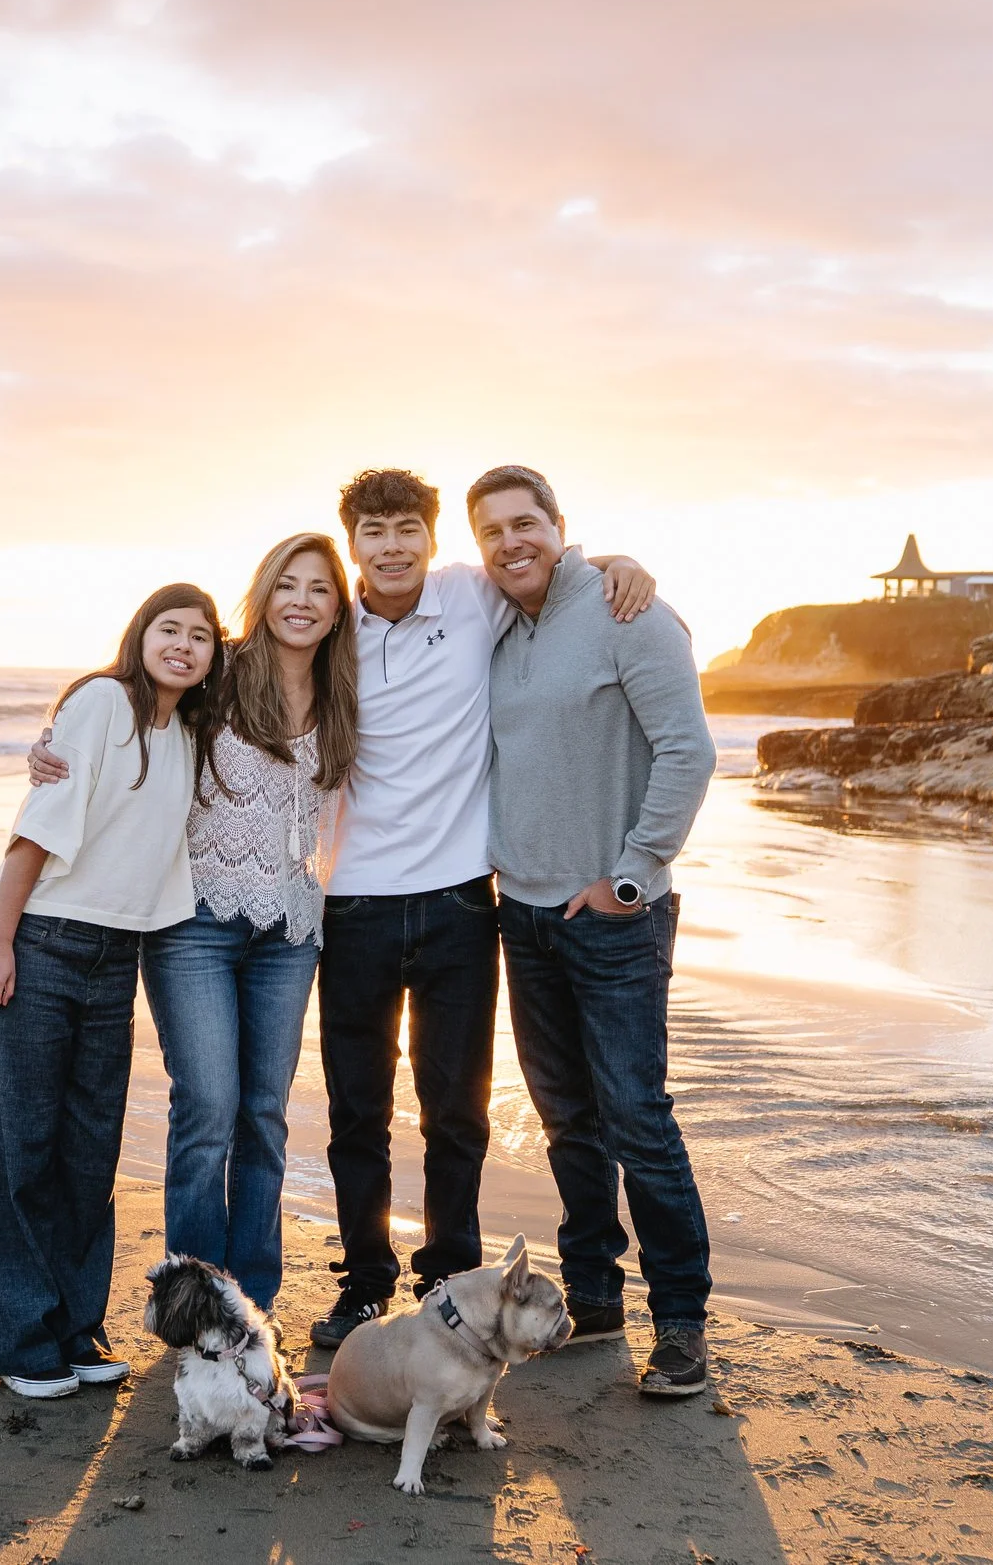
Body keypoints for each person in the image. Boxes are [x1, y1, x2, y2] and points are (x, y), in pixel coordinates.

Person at [302, 471, 654, 1349]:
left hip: (462, 902)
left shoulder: (471, 596)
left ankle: (447, 1275)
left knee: (455, 1108)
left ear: (431, 538)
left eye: (405, 529)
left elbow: (547, 566)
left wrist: (623, 563)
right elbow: (233, 691)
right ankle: (364, 1278)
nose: (390, 547)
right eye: (372, 532)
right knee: (358, 1108)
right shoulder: (326, 629)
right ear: (352, 546)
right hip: (352, 907)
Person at [466, 464, 718, 1398]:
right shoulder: (495, 626)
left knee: (637, 1119)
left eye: (525, 524)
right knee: (568, 1119)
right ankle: (594, 1294)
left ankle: (683, 1321)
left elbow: (690, 749)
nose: (510, 542)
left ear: (560, 528)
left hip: (613, 917)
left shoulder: (629, 614)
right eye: (492, 531)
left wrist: (633, 873)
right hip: (522, 914)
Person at [0, 583, 223, 1399]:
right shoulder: (102, 702)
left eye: (201, 636)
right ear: (140, 634)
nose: (183, 644)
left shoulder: (188, 731)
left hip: (117, 959)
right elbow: (37, 823)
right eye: (169, 628)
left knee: (88, 1154)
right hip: (40, 942)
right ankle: (18, 1341)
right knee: (22, 1149)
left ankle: (75, 1328)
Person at [138, 532, 358, 1310]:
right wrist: (55, 743)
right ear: (264, 594)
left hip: (292, 930)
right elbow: (131, 694)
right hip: (194, 922)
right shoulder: (221, 669)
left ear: (338, 607)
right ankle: (194, 1303)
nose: (302, 600)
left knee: (264, 1115)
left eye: (319, 589)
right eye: (287, 585)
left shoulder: (343, 691)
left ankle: (251, 1302)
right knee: (208, 1106)